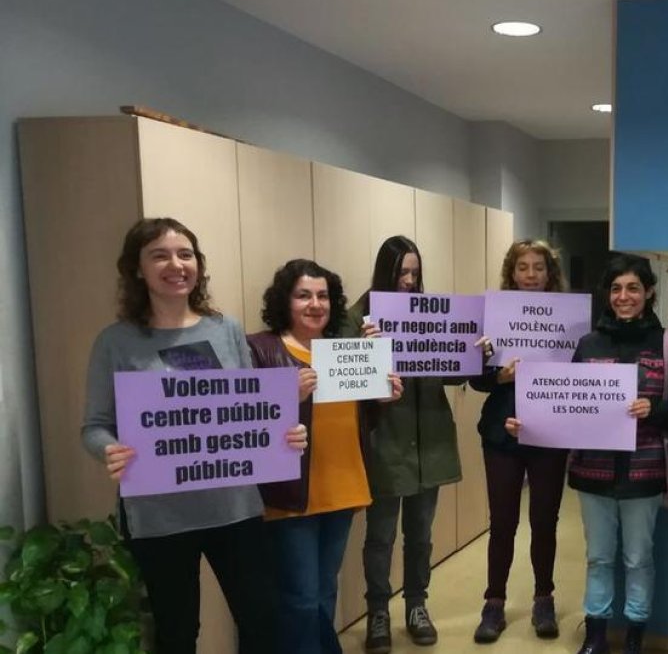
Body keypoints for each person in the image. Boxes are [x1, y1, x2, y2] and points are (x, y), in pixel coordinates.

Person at [81, 218, 307, 654]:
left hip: (234, 508)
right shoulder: (115, 342)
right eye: (160, 255)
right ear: (137, 269)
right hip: (159, 517)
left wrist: (284, 433)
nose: (176, 265)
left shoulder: (225, 330)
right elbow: (94, 426)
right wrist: (109, 449)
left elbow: (250, 409)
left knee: (262, 622)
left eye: (185, 254)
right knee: (178, 634)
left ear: (198, 265)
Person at [507, 254, 668, 654]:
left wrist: (655, 409)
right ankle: (596, 636)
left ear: (649, 292)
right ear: (607, 295)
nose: (624, 297)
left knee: (639, 559)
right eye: (616, 289)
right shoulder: (589, 344)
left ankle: (634, 637)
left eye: (633, 288)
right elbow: (567, 404)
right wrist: (531, 424)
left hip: (645, 471)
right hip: (593, 472)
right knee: (598, 558)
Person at [247, 259, 402, 654]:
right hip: (291, 493)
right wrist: (287, 395)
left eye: (323, 296)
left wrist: (382, 396)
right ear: (284, 301)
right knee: (300, 597)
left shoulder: (343, 350)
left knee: (323, 592)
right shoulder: (261, 348)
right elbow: (245, 421)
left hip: (343, 485)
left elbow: (358, 417)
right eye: (304, 295)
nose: (315, 304)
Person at [352, 235, 485, 652]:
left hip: (430, 441)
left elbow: (452, 374)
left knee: (421, 534)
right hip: (386, 442)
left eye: (414, 273)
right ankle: (377, 611)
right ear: (384, 271)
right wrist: (364, 349)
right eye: (401, 272)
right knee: (380, 536)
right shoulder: (359, 317)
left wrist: (473, 353)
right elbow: (344, 379)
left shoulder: (432, 315)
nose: (409, 281)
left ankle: (416, 605)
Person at [470, 240, 570, 643]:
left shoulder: (569, 320)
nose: (531, 275)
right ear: (511, 273)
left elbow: (581, 375)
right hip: (501, 433)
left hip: (550, 432)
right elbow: (475, 379)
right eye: (523, 267)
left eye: (538, 268)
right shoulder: (493, 318)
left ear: (550, 274)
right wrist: (501, 377)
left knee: (545, 520)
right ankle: (493, 603)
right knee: (503, 522)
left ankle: (544, 598)